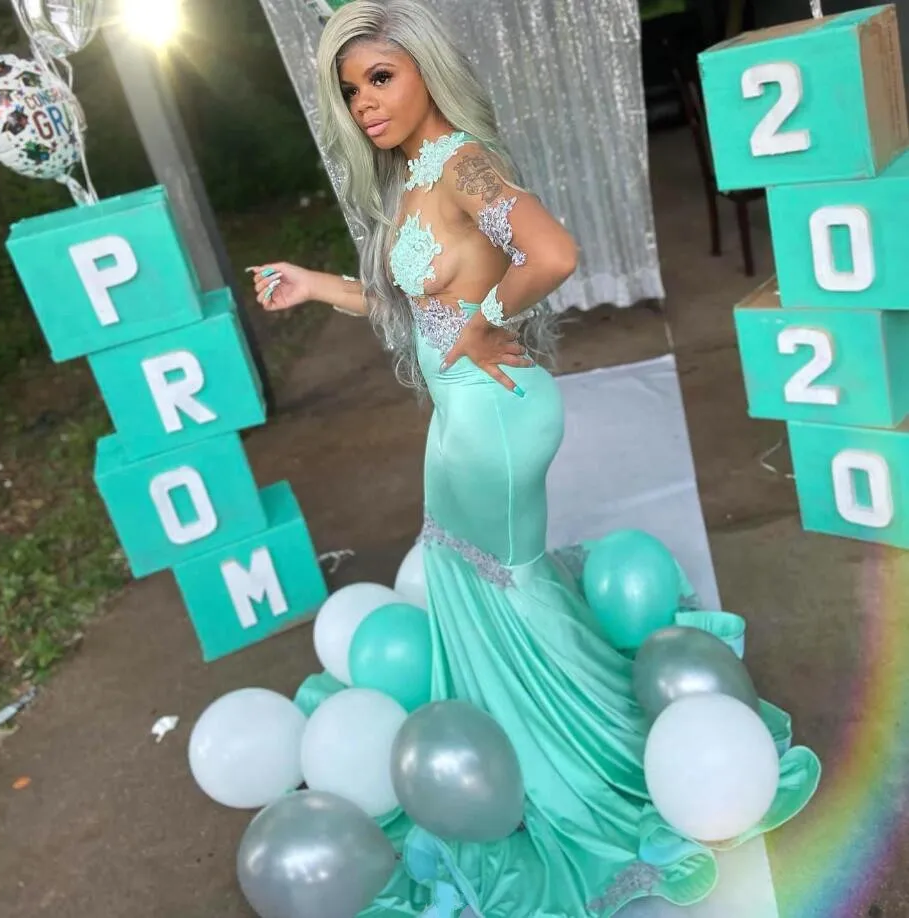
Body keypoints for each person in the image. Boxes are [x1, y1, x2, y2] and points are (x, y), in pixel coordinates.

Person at [248, 2, 819, 915]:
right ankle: (514, 727)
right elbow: (408, 306)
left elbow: (552, 252)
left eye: (381, 78)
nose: (365, 104)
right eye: (351, 90)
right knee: (465, 571)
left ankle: (576, 756)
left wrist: (486, 319)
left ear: (425, 68)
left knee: (503, 579)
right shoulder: (413, 175)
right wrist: (314, 285)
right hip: (461, 415)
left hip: (497, 417)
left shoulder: (462, 161)